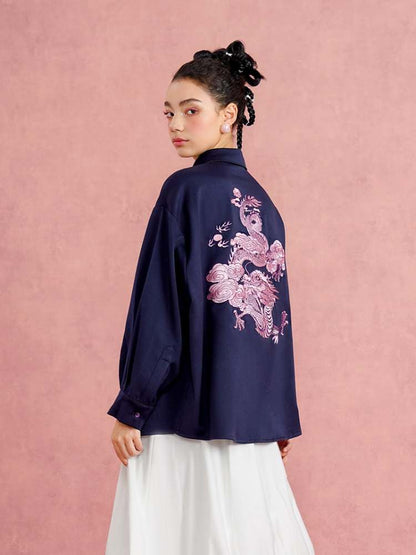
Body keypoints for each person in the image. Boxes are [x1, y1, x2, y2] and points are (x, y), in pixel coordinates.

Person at [105, 40, 315, 554]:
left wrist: (133, 403)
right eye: (168, 113)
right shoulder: (264, 204)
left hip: (183, 418)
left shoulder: (185, 191)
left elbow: (161, 309)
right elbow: (276, 326)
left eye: (190, 110)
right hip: (251, 425)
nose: (176, 124)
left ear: (229, 115)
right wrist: (276, 414)